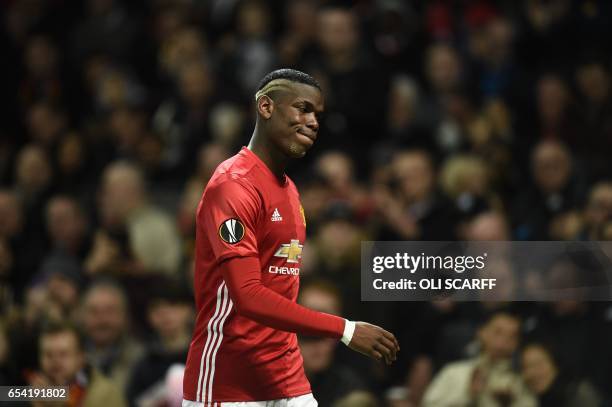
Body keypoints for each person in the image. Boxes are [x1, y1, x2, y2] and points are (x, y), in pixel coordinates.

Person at [182, 69, 399, 407]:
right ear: (266, 107)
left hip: (286, 376)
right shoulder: (233, 185)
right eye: (302, 108)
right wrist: (344, 329)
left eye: (317, 115)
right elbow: (249, 297)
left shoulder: (290, 190)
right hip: (229, 380)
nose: (313, 122)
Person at [422, 312, 536, 407]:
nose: (503, 341)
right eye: (498, 332)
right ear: (481, 333)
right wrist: (468, 395)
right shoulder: (454, 372)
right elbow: (428, 404)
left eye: (512, 336)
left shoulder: (521, 381)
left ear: (517, 343)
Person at [30, 320, 127, 407]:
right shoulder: (30, 393)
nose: (55, 361)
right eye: (48, 355)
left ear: (81, 358)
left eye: (63, 354)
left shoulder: (106, 395)